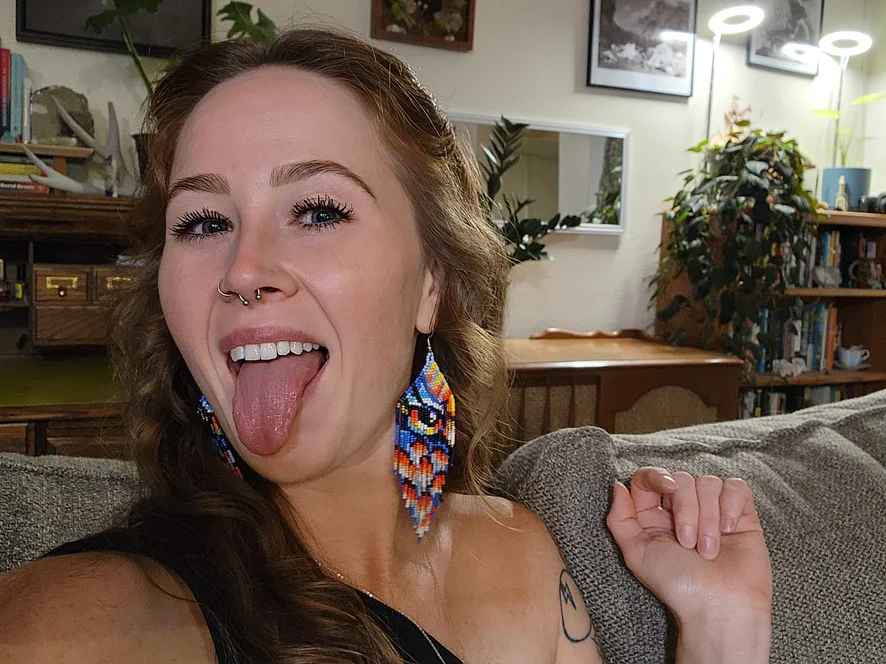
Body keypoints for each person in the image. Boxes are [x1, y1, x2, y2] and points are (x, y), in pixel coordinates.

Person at [0, 28, 771, 664]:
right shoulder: (79, 621)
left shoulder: (525, 553)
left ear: (432, 282)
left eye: (317, 210)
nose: (242, 270)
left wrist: (722, 630)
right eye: (203, 222)